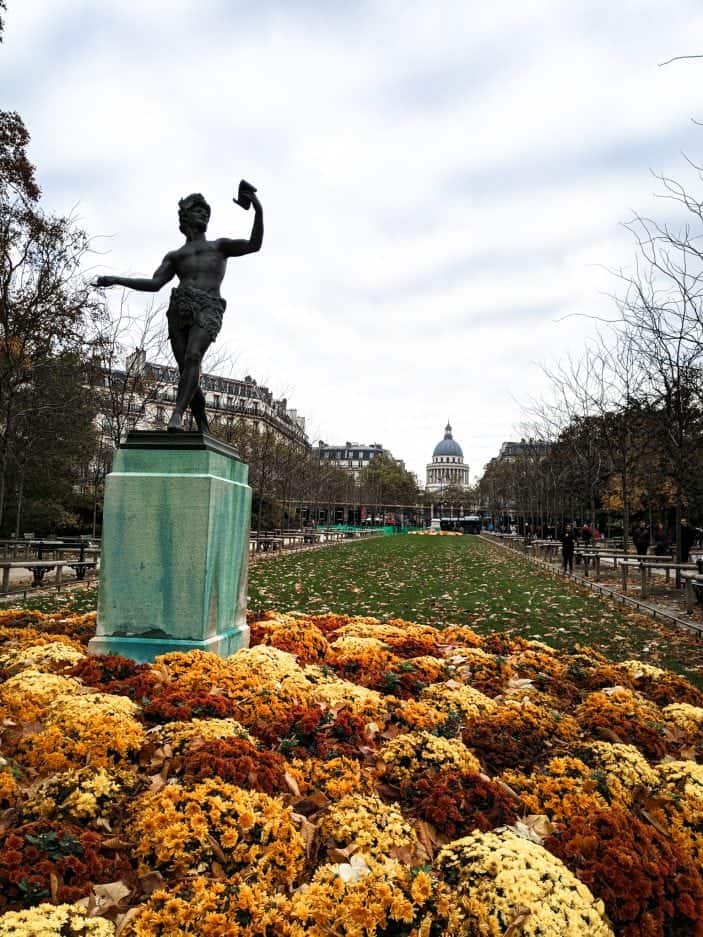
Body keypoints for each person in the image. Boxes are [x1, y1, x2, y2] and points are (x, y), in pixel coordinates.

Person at [96, 185, 263, 432]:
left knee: (194, 356)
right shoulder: (175, 256)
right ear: (185, 216)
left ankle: (176, 414)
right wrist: (117, 279)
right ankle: (204, 427)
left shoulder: (220, 247)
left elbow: (253, 244)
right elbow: (154, 284)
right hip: (179, 310)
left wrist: (258, 209)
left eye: (206, 211)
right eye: (198, 210)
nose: (204, 214)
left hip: (209, 307)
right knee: (187, 370)